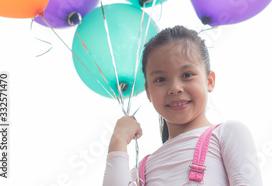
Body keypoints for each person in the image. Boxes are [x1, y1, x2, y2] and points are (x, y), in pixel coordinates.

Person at [102, 25, 263, 185]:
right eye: (160, 79)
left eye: (187, 75)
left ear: (209, 81)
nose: (175, 88)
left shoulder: (227, 134)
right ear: (149, 92)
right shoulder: (141, 171)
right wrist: (118, 140)